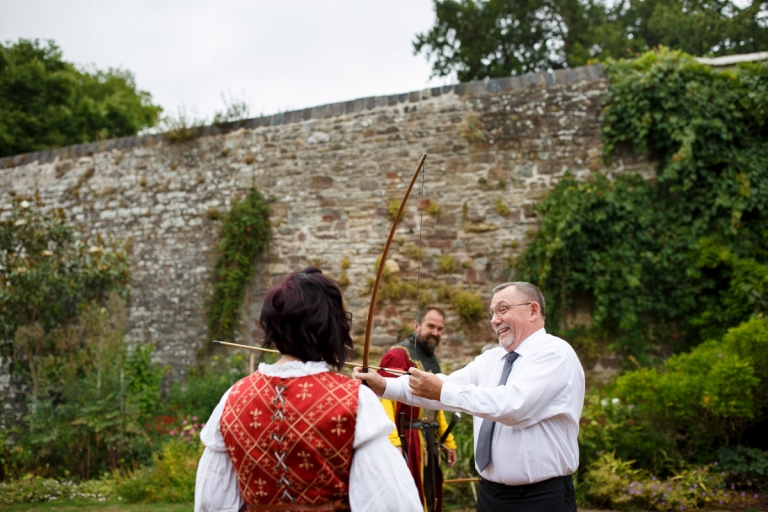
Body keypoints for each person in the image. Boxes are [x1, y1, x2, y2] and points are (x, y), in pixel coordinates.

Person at [195, 268, 422, 512]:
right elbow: (391, 504)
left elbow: (211, 502)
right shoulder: (355, 399)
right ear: (331, 328)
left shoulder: (233, 398)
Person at [355, 282, 585, 512]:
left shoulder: (555, 353)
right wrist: (384, 384)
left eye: (503, 309)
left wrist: (442, 390)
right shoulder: (491, 359)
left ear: (533, 310)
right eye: (492, 313)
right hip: (490, 495)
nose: (494, 320)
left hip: (540, 499)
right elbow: (442, 387)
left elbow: (512, 406)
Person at [377, 307, 457, 512]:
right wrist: (393, 442)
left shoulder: (431, 360)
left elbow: (435, 402)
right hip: (407, 440)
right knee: (410, 499)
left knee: (431, 498)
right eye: (431, 326)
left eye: (440, 329)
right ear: (416, 326)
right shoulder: (397, 355)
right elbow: (383, 399)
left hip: (428, 440)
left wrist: (448, 442)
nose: (435, 333)